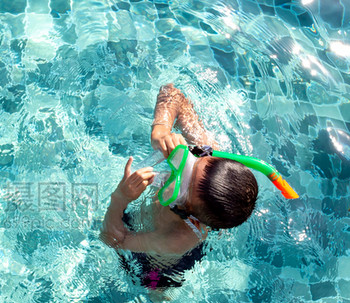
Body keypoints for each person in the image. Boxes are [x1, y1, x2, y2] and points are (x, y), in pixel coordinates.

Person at [100, 84, 260, 290]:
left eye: (182, 182)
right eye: (192, 160)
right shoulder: (207, 157)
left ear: (187, 211)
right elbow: (172, 92)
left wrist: (120, 198)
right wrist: (161, 129)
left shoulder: (176, 239)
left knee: (154, 288)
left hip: (159, 261)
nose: (180, 167)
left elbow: (113, 241)